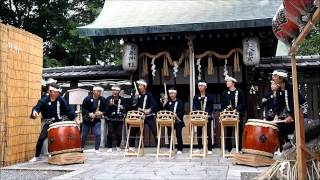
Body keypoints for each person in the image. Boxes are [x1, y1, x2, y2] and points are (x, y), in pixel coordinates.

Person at [29, 83, 76, 162]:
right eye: (54, 92)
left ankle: (57, 154)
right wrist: (34, 113)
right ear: (49, 91)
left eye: (57, 92)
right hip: (49, 123)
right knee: (41, 138)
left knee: (60, 138)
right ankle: (37, 156)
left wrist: (74, 118)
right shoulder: (43, 100)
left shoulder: (61, 99)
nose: (55, 94)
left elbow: (68, 109)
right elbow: (37, 108)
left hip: (60, 122)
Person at [272, 69, 307, 150]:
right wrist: (276, 115)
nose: (273, 78)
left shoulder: (292, 89)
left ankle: (296, 147)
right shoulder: (278, 91)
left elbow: (300, 103)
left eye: (275, 76)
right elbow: (279, 106)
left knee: (298, 133)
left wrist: (292, 116)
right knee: (279, 125)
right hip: (290, 114)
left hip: (300, 112)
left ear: (281, 78)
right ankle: (286, 145)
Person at [129, 79, 158, 151]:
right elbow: (132, 106)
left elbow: (155, 104)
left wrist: (149, 109)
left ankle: (158, 145)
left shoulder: (149, 95)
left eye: (140, 85)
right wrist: (135, 98)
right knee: (133, 129)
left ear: (144, 86)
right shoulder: (136, 95)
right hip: (139, 116)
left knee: (154, 130)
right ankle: (131, 147)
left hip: (148, 116)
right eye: (138, 85)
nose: (139, 87)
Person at [221, 76, 245, 152]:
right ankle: (228, 148)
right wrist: (225, 109)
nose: (227, 83)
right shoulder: (225, 93)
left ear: (233, 83)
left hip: (238, 114)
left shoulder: (239, 91)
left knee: (239, 131)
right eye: (226, 81)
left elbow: (242, 103)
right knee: (228, 131)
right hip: (228, 114)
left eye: (228, 81)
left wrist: (236, 109)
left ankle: (240, 147)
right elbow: (223, 104)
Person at [81, 85, 106, 153]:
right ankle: (81, 148)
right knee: (84, 135)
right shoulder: (87, 98)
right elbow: (83, 109)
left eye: (100, 91)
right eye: (98, 91)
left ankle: (97, 149)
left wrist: (101, 112)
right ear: (94, 91)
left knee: (98, 134)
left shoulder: (102, 99)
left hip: (96, 119)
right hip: (87, 119)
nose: (99, 93)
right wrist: (89, 113)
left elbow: (106, 109)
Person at [192, 80, 214, 154]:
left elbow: (211, 108)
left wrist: (206, 114)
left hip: (207, 117)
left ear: (205, 86)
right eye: (199, 86)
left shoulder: (210, 97)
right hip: (199, 117)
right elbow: (194, 106)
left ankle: (210, 149)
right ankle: (199, 147)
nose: (200, 87)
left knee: (208, 133)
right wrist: (197, 114)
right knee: (199, 133)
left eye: (202, 85)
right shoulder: (196, 96)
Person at [162, 87, 185, 154]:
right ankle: (171, 148)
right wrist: (165, 101)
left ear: (175, 93)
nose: (171, 95)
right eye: (170, 93)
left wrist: (176, 115)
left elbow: (182, 111)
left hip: (178, 120)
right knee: (169, 134)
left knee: (178, 134)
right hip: (170, 121)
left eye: (172, 93)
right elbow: (163, 110)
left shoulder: (179, 101)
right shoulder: (168, 102)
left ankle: (180, 148)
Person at [105, 85, 126, 153]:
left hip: (119, 119)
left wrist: (123, 108)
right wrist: (109, 105)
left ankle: (118, 146)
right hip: (110, 118)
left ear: (119, 91)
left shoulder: (122, 99)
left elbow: (126, 108)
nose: (115, 92)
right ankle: (109, 147)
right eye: (114, 90)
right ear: (112, 91)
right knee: (110, 132)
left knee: (119, 133)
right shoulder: (108, 99)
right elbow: (105, 109)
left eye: (116, 90)